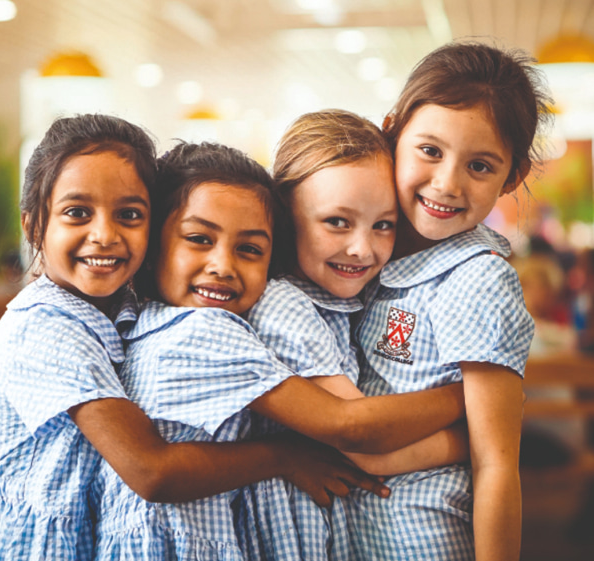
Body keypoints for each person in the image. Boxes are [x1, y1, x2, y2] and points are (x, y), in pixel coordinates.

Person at [0, 114, 379, 561]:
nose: (105, 235)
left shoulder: (124, 310)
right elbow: (150, 470)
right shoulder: (43, 327)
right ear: (35, 225)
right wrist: (284, 456)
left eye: (129, 215)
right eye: (77, 213)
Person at [94, 140, 467, 560]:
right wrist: (473, 399)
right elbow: (350, 427)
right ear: (152, 246)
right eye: (199, 238)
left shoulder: (160, 323)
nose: (222, 265)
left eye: (250, 249)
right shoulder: (201, 330)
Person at [243, 109, 472, 560]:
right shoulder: (283, 305)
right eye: (337, 222)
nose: (362, 248)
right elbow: (364, 444)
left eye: (382, 225)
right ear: (286, 219)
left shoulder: (354, 300)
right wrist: (479, 417)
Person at [353, 41, 551, 561]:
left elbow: (496, 465)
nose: (446, 183)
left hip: (425, 540)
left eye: (480, 166)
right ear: (392, 129)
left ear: (513, 176)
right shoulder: (365, 254)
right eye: (430, 150)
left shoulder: (476, 279)